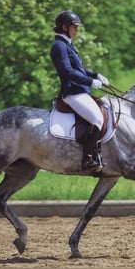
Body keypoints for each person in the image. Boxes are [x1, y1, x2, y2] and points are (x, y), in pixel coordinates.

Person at [50, 10, 109, 173]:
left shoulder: (68, 45)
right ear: (64, 27)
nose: (76, 30)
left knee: (103, 111)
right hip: (72, 93)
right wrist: (91, 81)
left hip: (81, 91)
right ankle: (87, 159)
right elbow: (67, 72)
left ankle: (97, 154)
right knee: (97, 119)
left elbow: (80, 70)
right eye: (74, 27)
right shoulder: (59, 46)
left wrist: (96, 75)